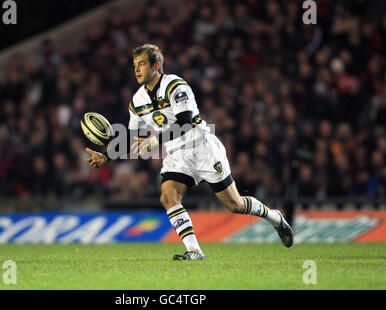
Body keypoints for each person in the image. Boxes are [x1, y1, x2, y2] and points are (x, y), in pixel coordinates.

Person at [86, 44, 293, 260]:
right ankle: (194, 251)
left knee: (236, 204)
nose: (137, 70)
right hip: (176, 156)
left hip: (201, 148)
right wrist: (106, 156)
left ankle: (275, 217)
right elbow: (131, 136)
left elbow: (185, 123)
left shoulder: (175, 86)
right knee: (168, 197)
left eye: (142, 64)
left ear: (156, 66)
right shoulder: (137, 102)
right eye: (134, 65)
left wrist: (155, 140)